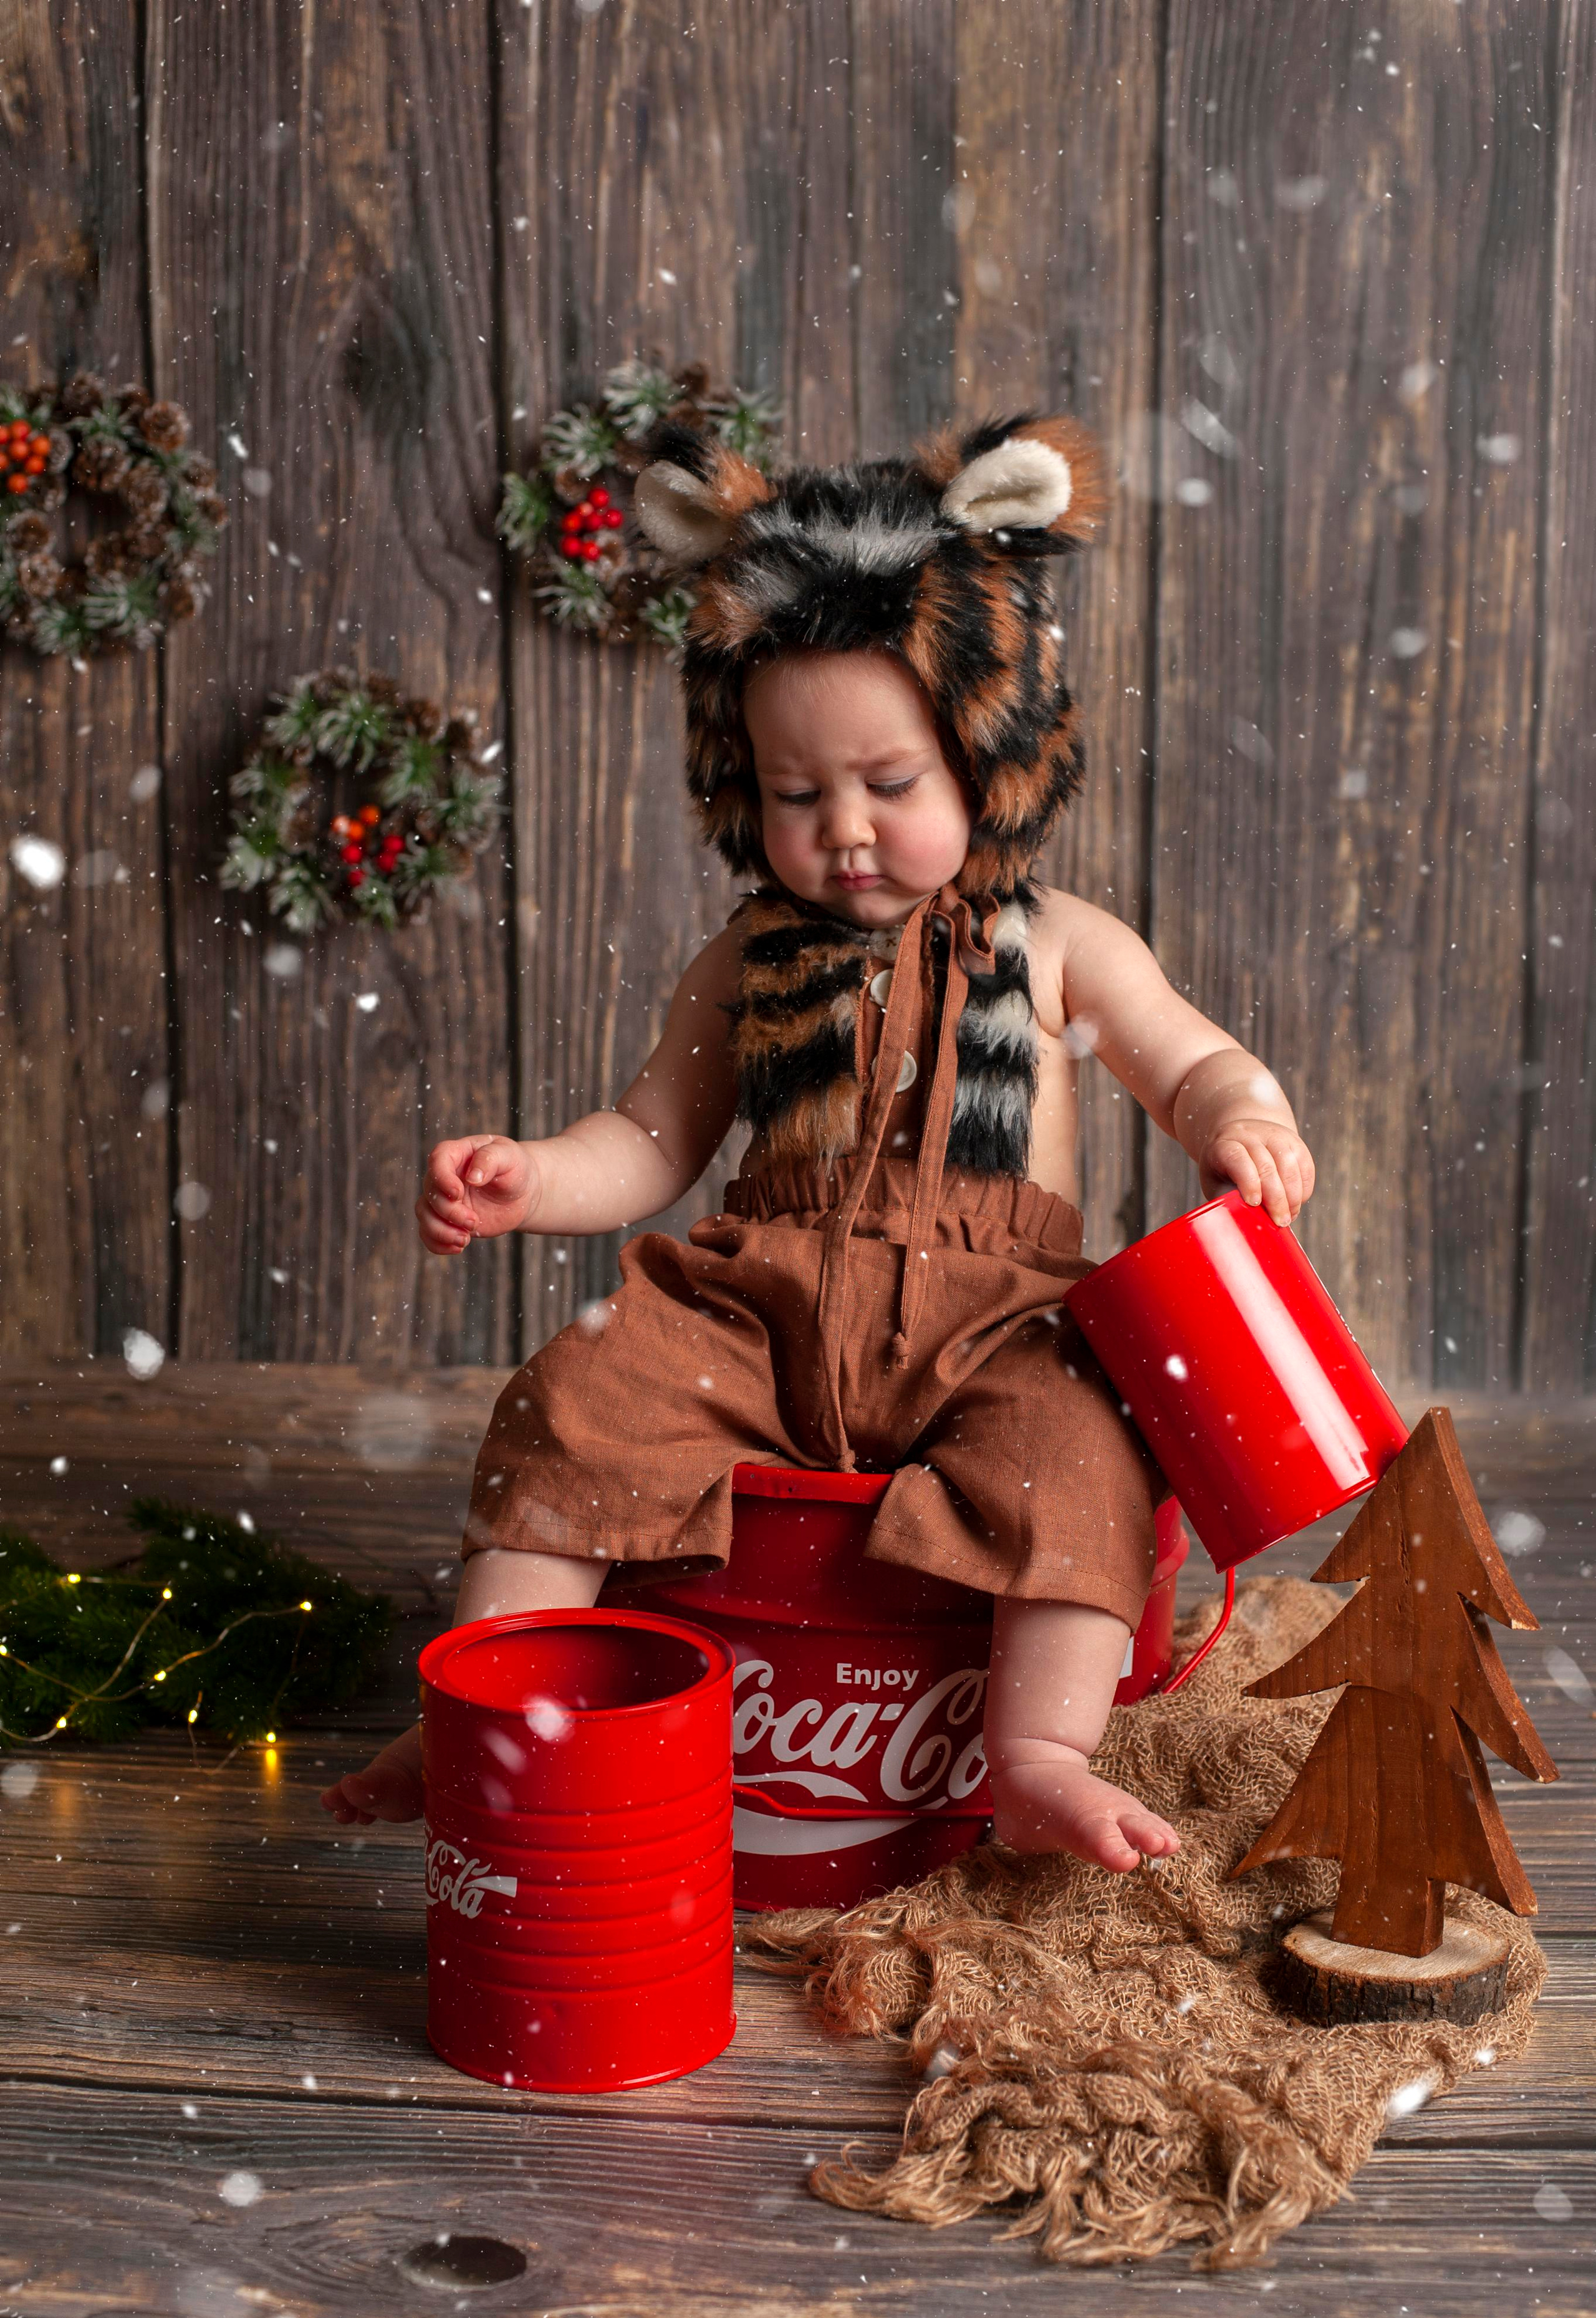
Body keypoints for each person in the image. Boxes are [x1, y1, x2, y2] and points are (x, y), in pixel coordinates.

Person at [321, 411, 1314, 1870]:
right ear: (746, 788)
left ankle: (1035, 1752)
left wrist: (1243, 1119)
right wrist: (536, 1178)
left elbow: (1187, 1060)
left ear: (984, 759)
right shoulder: (746, 959)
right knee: (581, 1393)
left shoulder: (1054, 946)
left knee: (1086, 1446)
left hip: (997, 1324)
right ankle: (486, 1699)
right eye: (797, 795)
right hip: (761, 1306)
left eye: (888, 784)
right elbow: (651, 1141)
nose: (843, 828)